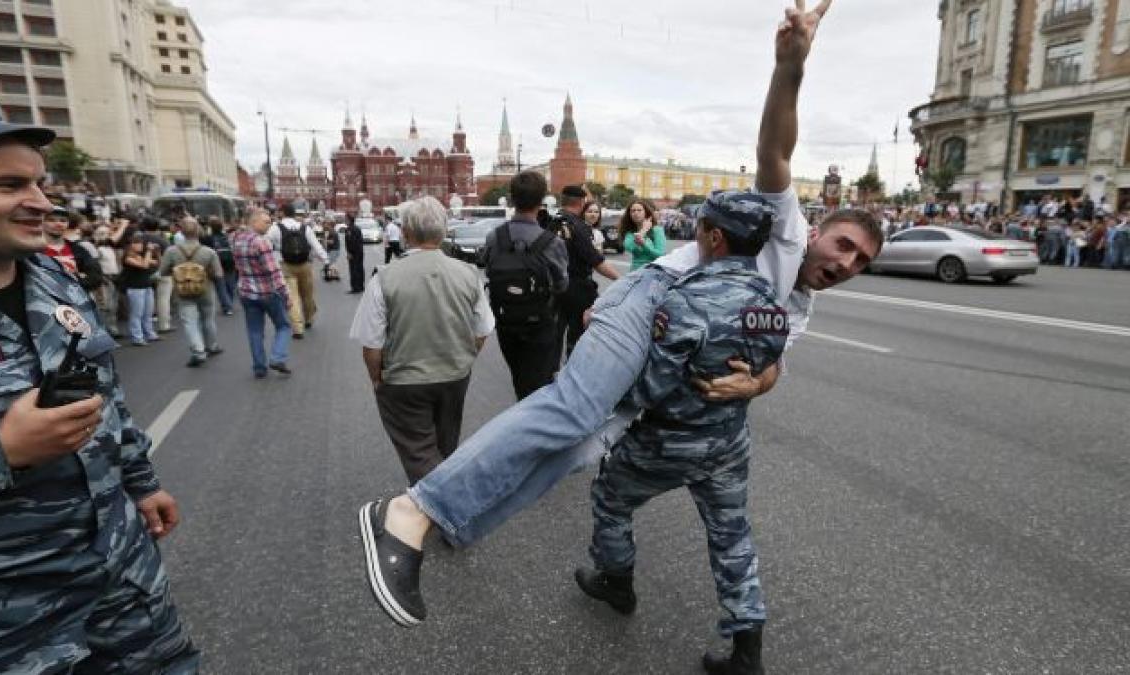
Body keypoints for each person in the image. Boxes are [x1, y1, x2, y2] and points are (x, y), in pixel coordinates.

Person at [357, 0, 875, 631]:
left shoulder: (799, 303)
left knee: (576, 450)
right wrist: (791, 67)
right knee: (574, 407)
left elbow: (771, 365)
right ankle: (407, 514)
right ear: (820, 233)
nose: (849, 263)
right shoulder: (785, 231)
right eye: (845, 245)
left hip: (667, 362)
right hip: (651, 300)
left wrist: (755, 381)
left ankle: (440, 523)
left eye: (862, 262)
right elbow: (776, 148)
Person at [0, 100, 198, 673]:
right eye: (7, 184)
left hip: (124, 591)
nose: (41, 202)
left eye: (39, 183)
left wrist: (139, 480)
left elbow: (107, 396)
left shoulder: (54, 281)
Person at [574, 192, 786, 675]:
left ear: (714, 236)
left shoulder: (687, 300)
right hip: (729, 442)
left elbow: (649, 387)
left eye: (701, 228)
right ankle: (747, 651)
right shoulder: (771, 302)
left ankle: (617, 582)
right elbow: (765, 364)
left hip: (667, 440)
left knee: (611, 497)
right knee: (732, 536)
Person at [349, 197, 495, 485]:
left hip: (404, 380)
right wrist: (465, 359)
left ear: (405, 233)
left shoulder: (384, 278)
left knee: (419, 453)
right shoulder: (468, 274)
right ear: (443, 232)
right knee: (444, 445)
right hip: (454, 375)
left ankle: (444, 511)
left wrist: (377, 379)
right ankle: (443, 501)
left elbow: (372, 344)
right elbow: (482, 328)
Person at [482, 170, 569, 400]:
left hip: (506, 323)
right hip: (540, 324)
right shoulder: (552, 242)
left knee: (520, 380)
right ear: (542, 201)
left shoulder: (494, 237)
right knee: (538, 388)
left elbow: (489, 271)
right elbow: (561, 285)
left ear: (511, 199)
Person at [554, 186, 621, 366]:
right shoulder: (578, 226)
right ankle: (575, 371)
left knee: (554, 336)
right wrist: (621, 279)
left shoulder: (551, 221)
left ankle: (549, 375)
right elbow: (596, 261)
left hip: (552, 288)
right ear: (582, 202)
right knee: (580, 335)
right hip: (577, 289)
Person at [233, 208, 293, 378]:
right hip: (267, 293)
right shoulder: (261, 242)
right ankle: (277, 357)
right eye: (266, 222)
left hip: (246, 292)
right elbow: (273, 271)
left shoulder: (237, 239)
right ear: (254, 222)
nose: (270, 225)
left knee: (254, 331)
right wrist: (286, 295)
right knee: (284, 325)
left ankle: (259, 367)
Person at [159, 217, 225, 367]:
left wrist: (178, 271)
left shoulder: (172, 251)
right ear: (199, 231)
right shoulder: (208, 252)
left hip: (182, 291)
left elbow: (162, 271)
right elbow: (219, 274)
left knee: (190, 322)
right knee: (208, 318)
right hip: (205, 289)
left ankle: (198, 351)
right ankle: (212, 345)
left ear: (181, 231)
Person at [268, 203, 328, 339]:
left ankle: (297, 328)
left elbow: (265, 243)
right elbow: (316, 245)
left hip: (286, 265)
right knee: (307, 295)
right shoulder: (304, 228)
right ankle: (308, 319)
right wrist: (326, 260)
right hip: (304, 264)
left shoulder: (275, 228)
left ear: (282, 212)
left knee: (292, 296)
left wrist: (271, 259)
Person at [122, 231, 161, 346]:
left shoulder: (142, 256)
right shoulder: (128, 258)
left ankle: (149, 333)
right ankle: (137, 337)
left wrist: (156, 252)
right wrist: (149, 251)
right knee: (136, 313)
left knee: (148, 313)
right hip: (135, 288)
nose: (141, 246)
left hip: (147, 287)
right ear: (131, 245)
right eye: (137, 243)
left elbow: (156, 263)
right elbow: (144, 265)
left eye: (141, 243)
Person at [202, 216, 237, 316]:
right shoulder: (228, 236)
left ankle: (227, 306)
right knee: (230, 285)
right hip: (230, 263)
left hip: (216, 263)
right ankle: (229, 302)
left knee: (221, 286)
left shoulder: (207, 238)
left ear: (210, 227)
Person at [621, 199, 667, 270]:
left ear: (646, 213)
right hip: (635, 273)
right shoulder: (630, 233)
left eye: (639, 210)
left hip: (653, 272)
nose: (636, 213)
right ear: (629, 214)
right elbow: (630, 247)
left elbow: (660, 254)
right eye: (633, 211)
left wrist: (644, 245)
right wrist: (643, 231)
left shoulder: (657, 230)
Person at [345, 214, 365, 293]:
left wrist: (349, 253)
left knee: (354, 269)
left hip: (354, 253)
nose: (345, 221)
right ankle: (361, 286)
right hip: (360, 252)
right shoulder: (357, 228)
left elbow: (351, 242)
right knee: (360, 268)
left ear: (349, 220)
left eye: (346, 219)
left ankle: (355, 287)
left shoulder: (349, 229)